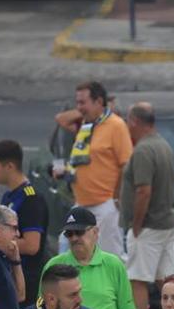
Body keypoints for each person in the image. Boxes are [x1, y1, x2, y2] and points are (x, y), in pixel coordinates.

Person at [122, 102, 174, 309]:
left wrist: (136, 224)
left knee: (138, 280)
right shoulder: (163, 144)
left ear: (134, 121)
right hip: (167, 221)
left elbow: (143, 190)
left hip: (150, 226)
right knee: (166, 281)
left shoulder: (144, 150)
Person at [55, 80, 132, 256]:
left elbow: (125, 164)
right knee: (67, 250)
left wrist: (116, 197)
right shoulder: (85, 124)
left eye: (83, 102)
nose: (79, 107)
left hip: (105, 204)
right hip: (81, 203)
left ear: (98, 102)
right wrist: (83, 110)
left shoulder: (116, 125)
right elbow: (60, 119)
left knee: (109, 257)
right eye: (77, 102)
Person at [0, 139, 48, 305]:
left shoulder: (30, 199)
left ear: (10, 167)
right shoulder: (9, 197)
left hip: (27, 280)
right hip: (9, 274)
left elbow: (31, 245)